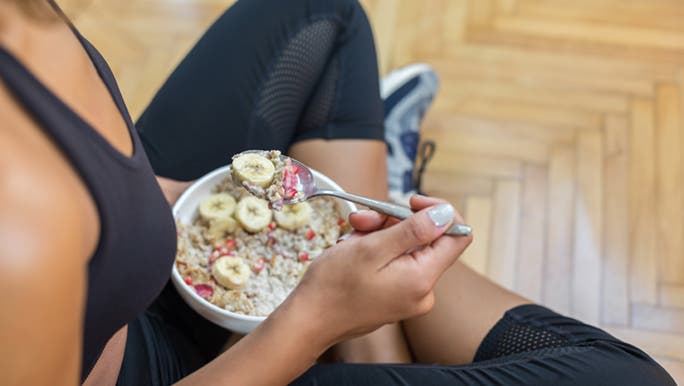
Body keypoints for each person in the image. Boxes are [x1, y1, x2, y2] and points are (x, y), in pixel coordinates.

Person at [0, 0, 675, 385]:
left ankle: (371, 297)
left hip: (136, 268)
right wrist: (313, 319)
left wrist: (196, 205)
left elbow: (97, 181)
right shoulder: (20, 242)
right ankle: (368, 276)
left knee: (323, 14)